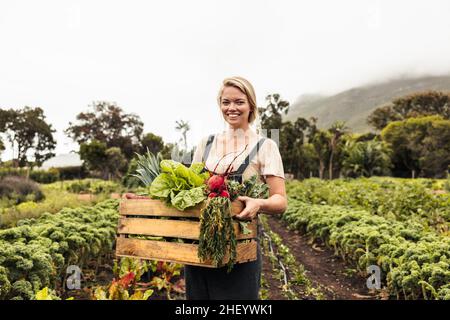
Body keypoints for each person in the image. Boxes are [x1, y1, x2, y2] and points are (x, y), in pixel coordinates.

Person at [184, 76, 287, 300]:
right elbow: (190, 190)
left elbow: (280, 200)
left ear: (251, 105)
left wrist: (258, 203)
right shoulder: (206, 144)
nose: (231, 108)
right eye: (225, 102)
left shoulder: (265, 146)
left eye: (239, 102)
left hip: (240, 247)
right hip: (200, 244)